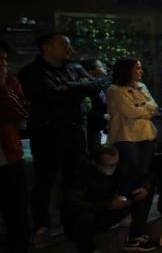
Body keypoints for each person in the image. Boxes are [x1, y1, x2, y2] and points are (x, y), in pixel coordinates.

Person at [18, 33, 100, 235]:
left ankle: (71, 221)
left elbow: (96, 85)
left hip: (76, 134)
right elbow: (50, 94)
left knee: (74, 180)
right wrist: (76, 88)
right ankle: (41, 225)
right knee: (45, 180)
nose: (70, 50)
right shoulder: (31, 72)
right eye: (65, 45)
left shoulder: (74, 67)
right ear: (47, 47)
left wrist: (68, 88)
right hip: (47, 135)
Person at [0, 41, 53, 253]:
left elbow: (21, 111)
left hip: (9, 157)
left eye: (3, 59)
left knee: (18, 217)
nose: (2, 64)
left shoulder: (9, 82)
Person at [64, 145, 156, 253]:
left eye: (115, 164)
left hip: (115, 207)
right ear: (95, 163)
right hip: (94, 213)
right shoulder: (82, 175)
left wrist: (144, 187)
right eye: (108, 165)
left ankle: (135, 236)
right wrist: (108, 205)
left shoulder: (120, 166)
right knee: (84, 217)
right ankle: (88, 252)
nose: (113, 168)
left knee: (144, 192)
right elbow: (73, 203)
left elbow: (144, 175)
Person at [105, 58, 159, 251]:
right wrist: (144, 109)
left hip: (146, 137)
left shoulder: (142, 86)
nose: (140, 71)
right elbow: (130, 112)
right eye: (137, 68)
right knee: (131, 181)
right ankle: (132, 231)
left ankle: (138, 231)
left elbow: (154, 106)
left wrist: (142, 109)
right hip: (126, 139)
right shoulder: (114, 90)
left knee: (145, 182)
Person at [79, 58, 109, 152]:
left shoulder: (100, 85)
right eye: (100, 66)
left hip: (97, 129)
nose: (104, 67)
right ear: (90, 71)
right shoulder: (83, 88)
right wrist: (103, 116)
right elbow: (85, 111)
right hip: (87, 131)